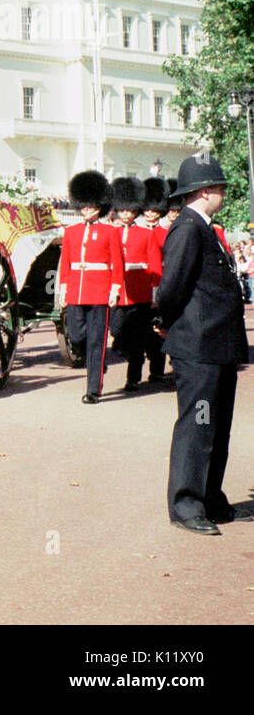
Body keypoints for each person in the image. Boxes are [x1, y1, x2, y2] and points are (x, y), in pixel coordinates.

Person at [156, 153, 252, 534]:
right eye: (220, 187)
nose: (224, 192)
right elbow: (172, 287)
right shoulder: (188, 229)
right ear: (206, 190)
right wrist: (164, 322)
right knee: (197, 428)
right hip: (197, 348)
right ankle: (186, 504)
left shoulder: (204, 227)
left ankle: (211, 499)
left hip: (216, 346)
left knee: (217, 428)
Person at [57, 170, 124, 404]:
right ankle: (98, 360)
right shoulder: (70, 232)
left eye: (91, 205)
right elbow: (65, 263)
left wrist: (115, 289)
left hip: (99, 290)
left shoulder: (110, 231)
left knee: (96, 342)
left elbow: (117, 262)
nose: (86, 209)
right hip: (76, 289)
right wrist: (63, 290)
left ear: (99, 205)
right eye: (83, 205)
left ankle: (93, 390)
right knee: (75, 336)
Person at [109, 177, 160, 393]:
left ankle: (133, 378)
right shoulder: (111, 232)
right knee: (118, 331)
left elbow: (155, 265)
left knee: (138, 340)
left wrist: (155, 293)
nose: (127, 214)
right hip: (119, 291)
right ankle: (124, 350)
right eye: (123, 210)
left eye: (131, 211)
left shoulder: (146, 234)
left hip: (140, 291)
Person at [140, 177, 171, 382]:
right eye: (147, 210)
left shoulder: (167, 234)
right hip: (140, 286)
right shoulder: (137, 233)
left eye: (154, 210)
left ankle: (157, 370)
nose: (150, 214)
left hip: (160, 285)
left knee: (158, 328)